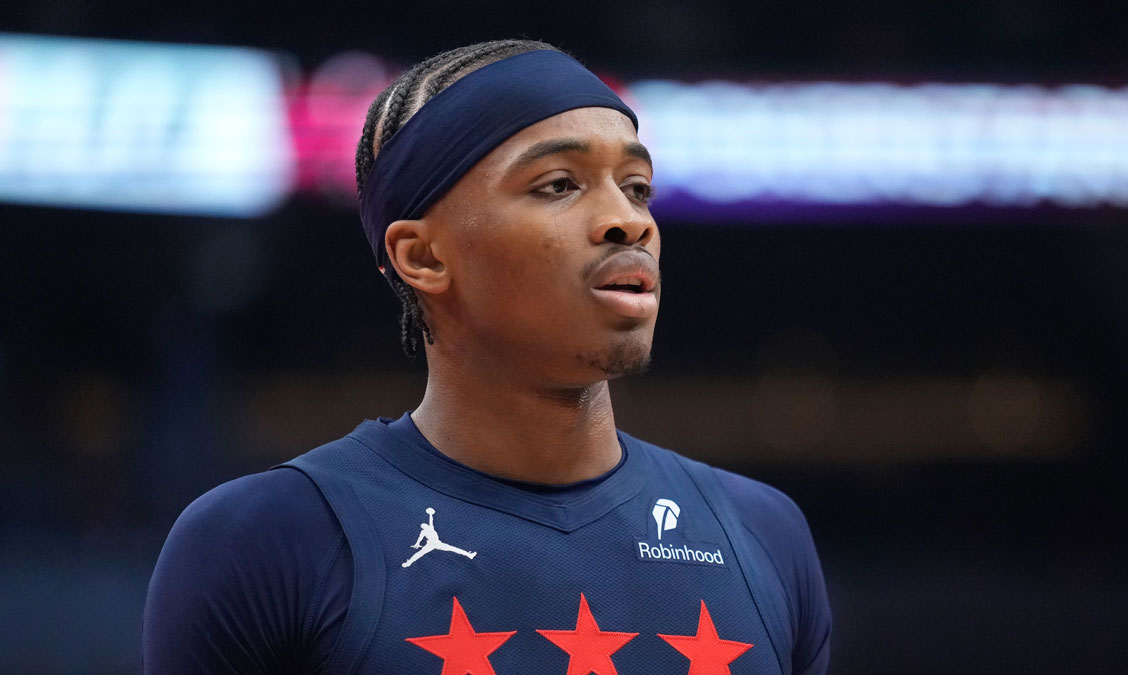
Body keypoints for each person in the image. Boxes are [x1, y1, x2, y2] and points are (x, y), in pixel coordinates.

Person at [144, 39, 831, 674]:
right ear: (423, 256)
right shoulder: (268, 541)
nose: (630, 219)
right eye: (559, 184)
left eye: (636, 185)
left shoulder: (763, 534)